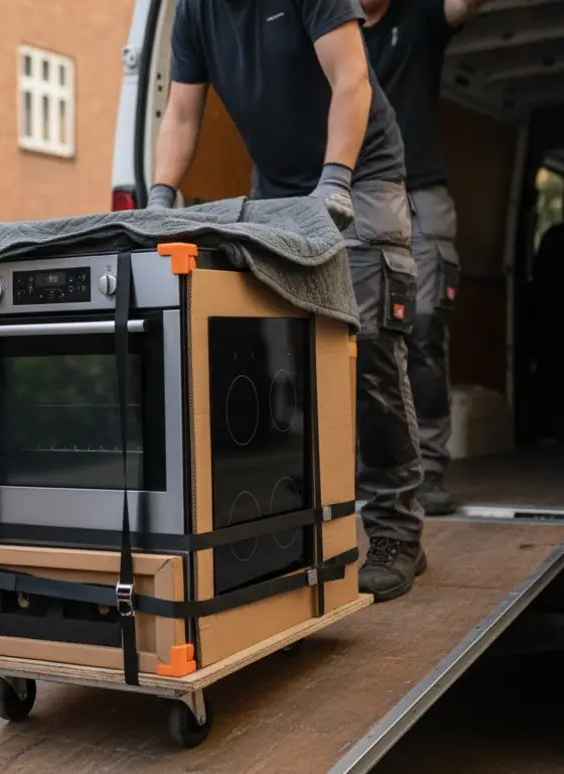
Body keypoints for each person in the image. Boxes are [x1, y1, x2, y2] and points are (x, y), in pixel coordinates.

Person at [148, 0, 427, 602]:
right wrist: (159, 199)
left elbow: (350, 75)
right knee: (282, 365)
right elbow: (181, 111)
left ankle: (397, 532)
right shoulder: (194, 13)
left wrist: (335, 179)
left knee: (370, 351)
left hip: (362, 169)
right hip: (276, 194)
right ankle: (297, 535)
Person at [360, 0, 487, 515]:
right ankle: (365, 470)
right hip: (356, 194)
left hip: (421, 192)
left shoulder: (418, 15)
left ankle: (430, 468)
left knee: (426, 331)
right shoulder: (325, 22)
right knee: (360, 338)